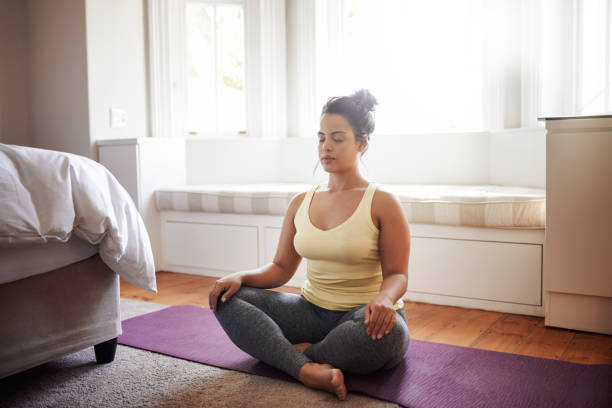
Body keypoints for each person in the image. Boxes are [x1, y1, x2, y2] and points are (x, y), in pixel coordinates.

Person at [209, 89, 411, 401]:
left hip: (363, 316)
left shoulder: (383, 202)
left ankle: (290, 355)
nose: (326, 146)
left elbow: (398, 274)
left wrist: (385, 298)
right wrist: (241, 277)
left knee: (391, 336)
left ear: (362, 142)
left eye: (338, 138)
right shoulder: (300, 202)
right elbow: (280, 269)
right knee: (226, 299)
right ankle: (307, 369)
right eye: (321, 138)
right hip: (310, 313)